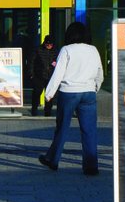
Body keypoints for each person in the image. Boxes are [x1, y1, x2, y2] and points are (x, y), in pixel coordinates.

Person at [40, 21, 103, 176]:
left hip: (69, 92)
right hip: (88, 92)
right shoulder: (93, 50)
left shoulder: (67, 49)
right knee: (89, 130)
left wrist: (49, 93)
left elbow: (58, 73)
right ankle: (91, 166)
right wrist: (95, 87)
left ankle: (53, 160)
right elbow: (99, 72)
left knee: (62, 127)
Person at [30, 35, 58, 116]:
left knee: (49, 94)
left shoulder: (55, 51)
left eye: (50, 44)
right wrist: (31, 74)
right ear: (44, 43)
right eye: (47, 44)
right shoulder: (38, 49)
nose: (49, 46)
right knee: (37, 92)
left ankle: (48, 111)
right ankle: (34, 109)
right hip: (39, 75)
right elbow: (32, 62)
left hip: (50, 76)